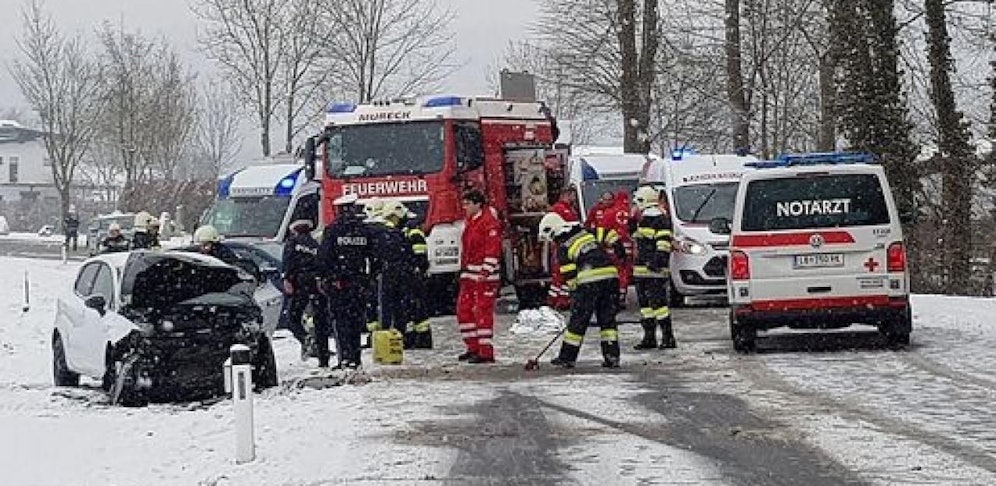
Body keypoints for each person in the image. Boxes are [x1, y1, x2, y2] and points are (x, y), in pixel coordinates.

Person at [538, 212, 621, 368]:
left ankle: (567, 357)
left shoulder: (563, 247)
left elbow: (570, 277)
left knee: (577, 322)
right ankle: (612, 356)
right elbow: (610, 234)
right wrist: (619, 251)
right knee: (607, 320)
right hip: (611, 278)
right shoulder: (585, 232)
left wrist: (575, 296)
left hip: (590, 282)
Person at [319, 193, 374, 369]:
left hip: (339, 284)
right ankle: (356, 359)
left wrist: (327, 278)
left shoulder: (333, 230)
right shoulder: (363, 230)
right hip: (359, 283)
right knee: (356, 322)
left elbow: (324, 258)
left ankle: (345, 358)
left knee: (341, 322)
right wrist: (368, 279)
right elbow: (372, 256)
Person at [456, 190, 502, 364]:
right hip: (469, 275)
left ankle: (485, 351)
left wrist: (485, 271)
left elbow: (493, 249)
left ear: (478, 204)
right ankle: (473, 347)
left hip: (484, 278)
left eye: (467, 204)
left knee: (482, 312)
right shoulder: (471, 222)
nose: (464, 207)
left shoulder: (489, 223)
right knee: (464, 311)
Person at [630, 186, 676, 350]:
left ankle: (667, 337)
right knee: (646, 307)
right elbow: (636, 237)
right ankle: (649, 338)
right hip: (642, 271)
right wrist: (631, 220)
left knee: (659, 306)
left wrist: (656, 263)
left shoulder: (659, 219)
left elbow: (663, 243)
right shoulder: (644, 219)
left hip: (654, 272)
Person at [283, 219, 334, 366]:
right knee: (320, 320)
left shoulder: (292, 242)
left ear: (295, 230)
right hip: (316, 284)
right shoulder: (316, 245)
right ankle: (323, 356)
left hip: (299, 283)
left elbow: (288, 262)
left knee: (293, 318)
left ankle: (306, 339)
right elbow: (322, 263)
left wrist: (287, 279)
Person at [368, 200, 416, 338]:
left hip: (387, 272)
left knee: (385, 305)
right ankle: (401, 334)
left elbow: (374, 254)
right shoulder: (397, 232)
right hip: (401, 273)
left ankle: (384, 337)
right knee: (399, 305)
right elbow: (409, 253)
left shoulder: (377, 232)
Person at [400, 208, 433, 349]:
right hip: (414, 276)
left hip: (414, 276)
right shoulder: (411, 231)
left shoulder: (413, 233)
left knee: (416, 308)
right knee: (414, 308)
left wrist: (416, 269)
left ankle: (421, 339)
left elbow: (420, 255)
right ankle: (417, 338)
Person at [547, 187, 580, 309]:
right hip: (562, 246)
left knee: (567, 274)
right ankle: (553, 300)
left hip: (569, 245)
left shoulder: (569, 209)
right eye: (573, 195)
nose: (574, 198)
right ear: (567, 194)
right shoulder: (559, 209)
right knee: (559, 274)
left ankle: (563, 300)